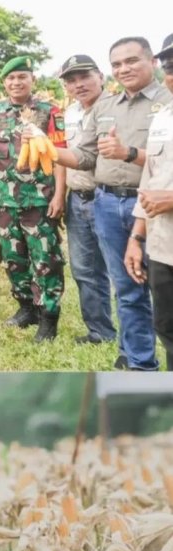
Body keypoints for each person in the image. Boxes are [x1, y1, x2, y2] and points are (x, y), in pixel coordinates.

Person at [53, 36, 171, 370]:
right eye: (117, 64)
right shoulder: (106, 107)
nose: (124, 69)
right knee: (126, 287)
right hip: (106, 203)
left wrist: (127, 154)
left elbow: (162, 163)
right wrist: (44, 149)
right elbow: (86, 156)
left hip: (153, 205)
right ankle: (139, 361)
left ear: (153, 62)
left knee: (160, 289)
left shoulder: (167, 102)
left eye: (131, 61)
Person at [0, 55, 66, 342]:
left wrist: (60, 195)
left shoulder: (50, 111)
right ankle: (26, 307)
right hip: (5, 200)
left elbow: (61, 155)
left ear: (32, 80)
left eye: (22, 77)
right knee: (13, 258)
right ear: (4, 82)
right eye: (11, 78)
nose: (16, 82)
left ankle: (48, 317)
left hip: (40, 199)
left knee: (45, 260)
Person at [59, 55, 116, 346]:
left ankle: (137, 338)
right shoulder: (68, 114)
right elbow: (62, 156)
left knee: (122, 272)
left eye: (84, 77)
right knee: (84, 269)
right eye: (71, 80)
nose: (78, 84)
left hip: (109, 199)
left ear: (101, 76)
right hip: (77, 198)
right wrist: (60, 196)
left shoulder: (117, 108)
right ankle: (100, 331)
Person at [125, 34, 173, 371]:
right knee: (167, 331)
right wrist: (136, 237)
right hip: (163, 247)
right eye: (171, 66)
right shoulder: (163, 118)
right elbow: (150, 180)